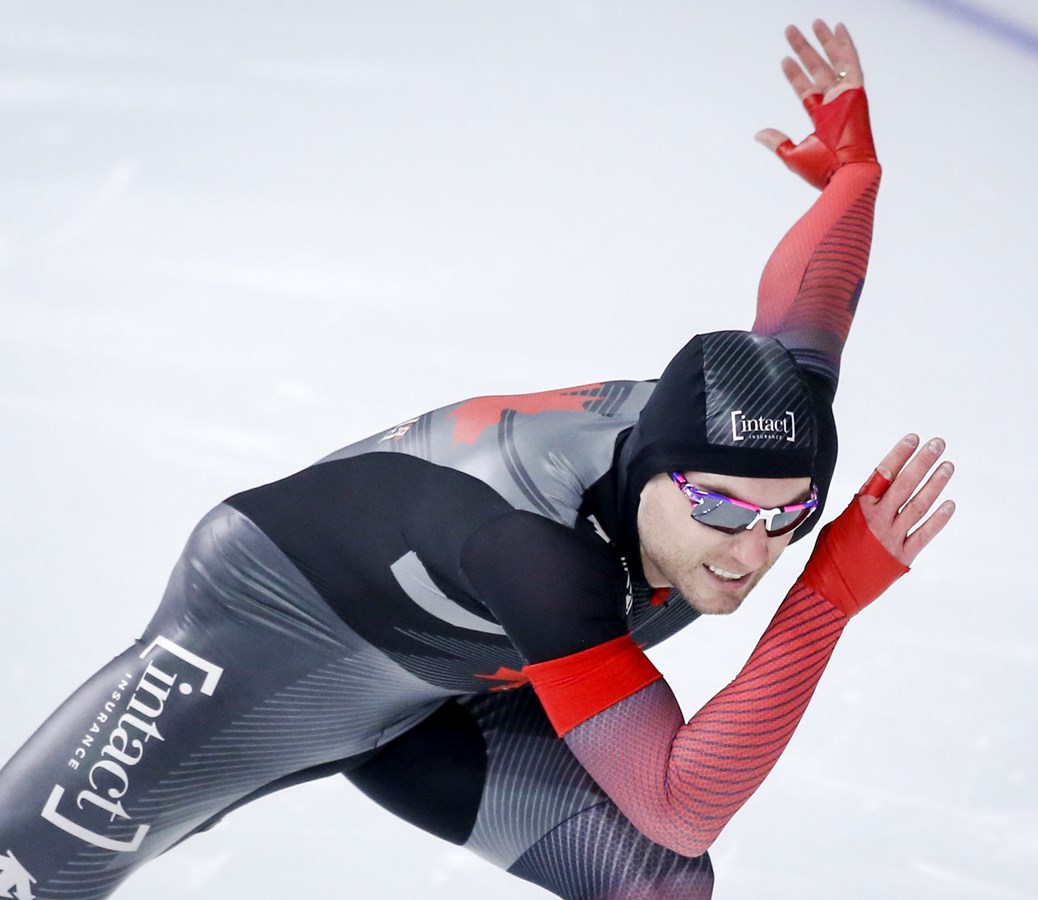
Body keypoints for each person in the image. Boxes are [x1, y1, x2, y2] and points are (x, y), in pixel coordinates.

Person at [0, 19, 954, 900]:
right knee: (21, 873)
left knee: (655, 886)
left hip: (450, 686)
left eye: (785, 520)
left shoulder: (762, 435)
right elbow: (680, 801)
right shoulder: (536, 550)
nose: (749, 551)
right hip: (269, 638)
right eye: (714, 508)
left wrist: (852, 177)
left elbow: (807, 308)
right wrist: (825, 590)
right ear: (653, 470)